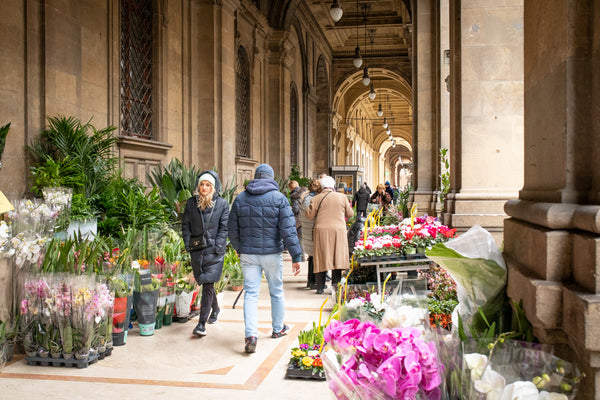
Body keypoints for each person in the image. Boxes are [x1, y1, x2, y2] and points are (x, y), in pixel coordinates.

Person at [228, 163, 303, 353]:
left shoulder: (241, 199)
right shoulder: (279, 198)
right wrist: (296, 256)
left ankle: (251, 335)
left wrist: (239, 247)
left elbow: (232, 229)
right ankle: (278, 329)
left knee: (251, 294)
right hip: (271, 254)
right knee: (276, 291)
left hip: (249, 255)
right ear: (271, 178)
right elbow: (288, 230)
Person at [181, 170, 229, 337]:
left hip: (215, 252)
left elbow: (224, 228)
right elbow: (185, 225)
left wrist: (218, 245)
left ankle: (201, 324)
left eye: (208, 184)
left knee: (208, 284)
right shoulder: (191, 203)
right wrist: (188, 244)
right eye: (202, 184)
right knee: (205, 282)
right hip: (197, 250)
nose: (204, 187)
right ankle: (215, 309)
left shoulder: (222, 204)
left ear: (213, 187)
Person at [306, 176, 353, 294]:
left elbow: (309, 215)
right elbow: (350, 214)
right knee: (337, 257)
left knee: (322, 257)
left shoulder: (316, 198)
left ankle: (320, 287)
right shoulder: (342, 197)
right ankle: (335, 286)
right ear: (333, 186)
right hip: (338, 231)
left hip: (321, 231)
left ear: (322, 186)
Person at [299, 179, 322, 290]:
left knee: (312, 257)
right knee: (314, 257)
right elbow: (313, 214)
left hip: (308, 231)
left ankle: (311, 281)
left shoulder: (306, 198)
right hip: (312, 231)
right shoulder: (311, 200)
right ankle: (313, 281)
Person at [288, 180, 307, 255]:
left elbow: (295, 209)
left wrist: (290, 210)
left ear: (291, 187)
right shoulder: (305, 193)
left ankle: (300, 255)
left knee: (297, 238)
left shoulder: (294, 195)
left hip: (298, 219)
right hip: (305, 217)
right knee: (302, 238)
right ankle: (302, 254)